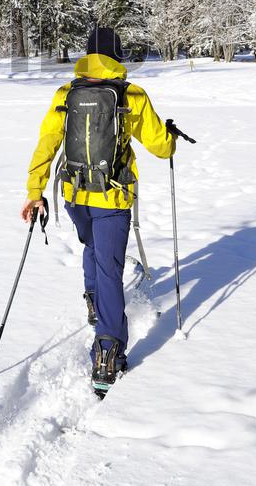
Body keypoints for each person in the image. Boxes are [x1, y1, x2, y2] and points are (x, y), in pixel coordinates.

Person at [22, 26, 175, 392]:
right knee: (110, 267)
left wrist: (35, 190)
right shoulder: (131, 94)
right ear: (117, 57)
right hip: (112, 196)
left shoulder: (66, 93)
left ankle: (93, 300)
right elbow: (160, 146)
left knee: (91, 246)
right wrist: (170, 137)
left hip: (74, 194)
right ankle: (108, 351)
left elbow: (48, 142)